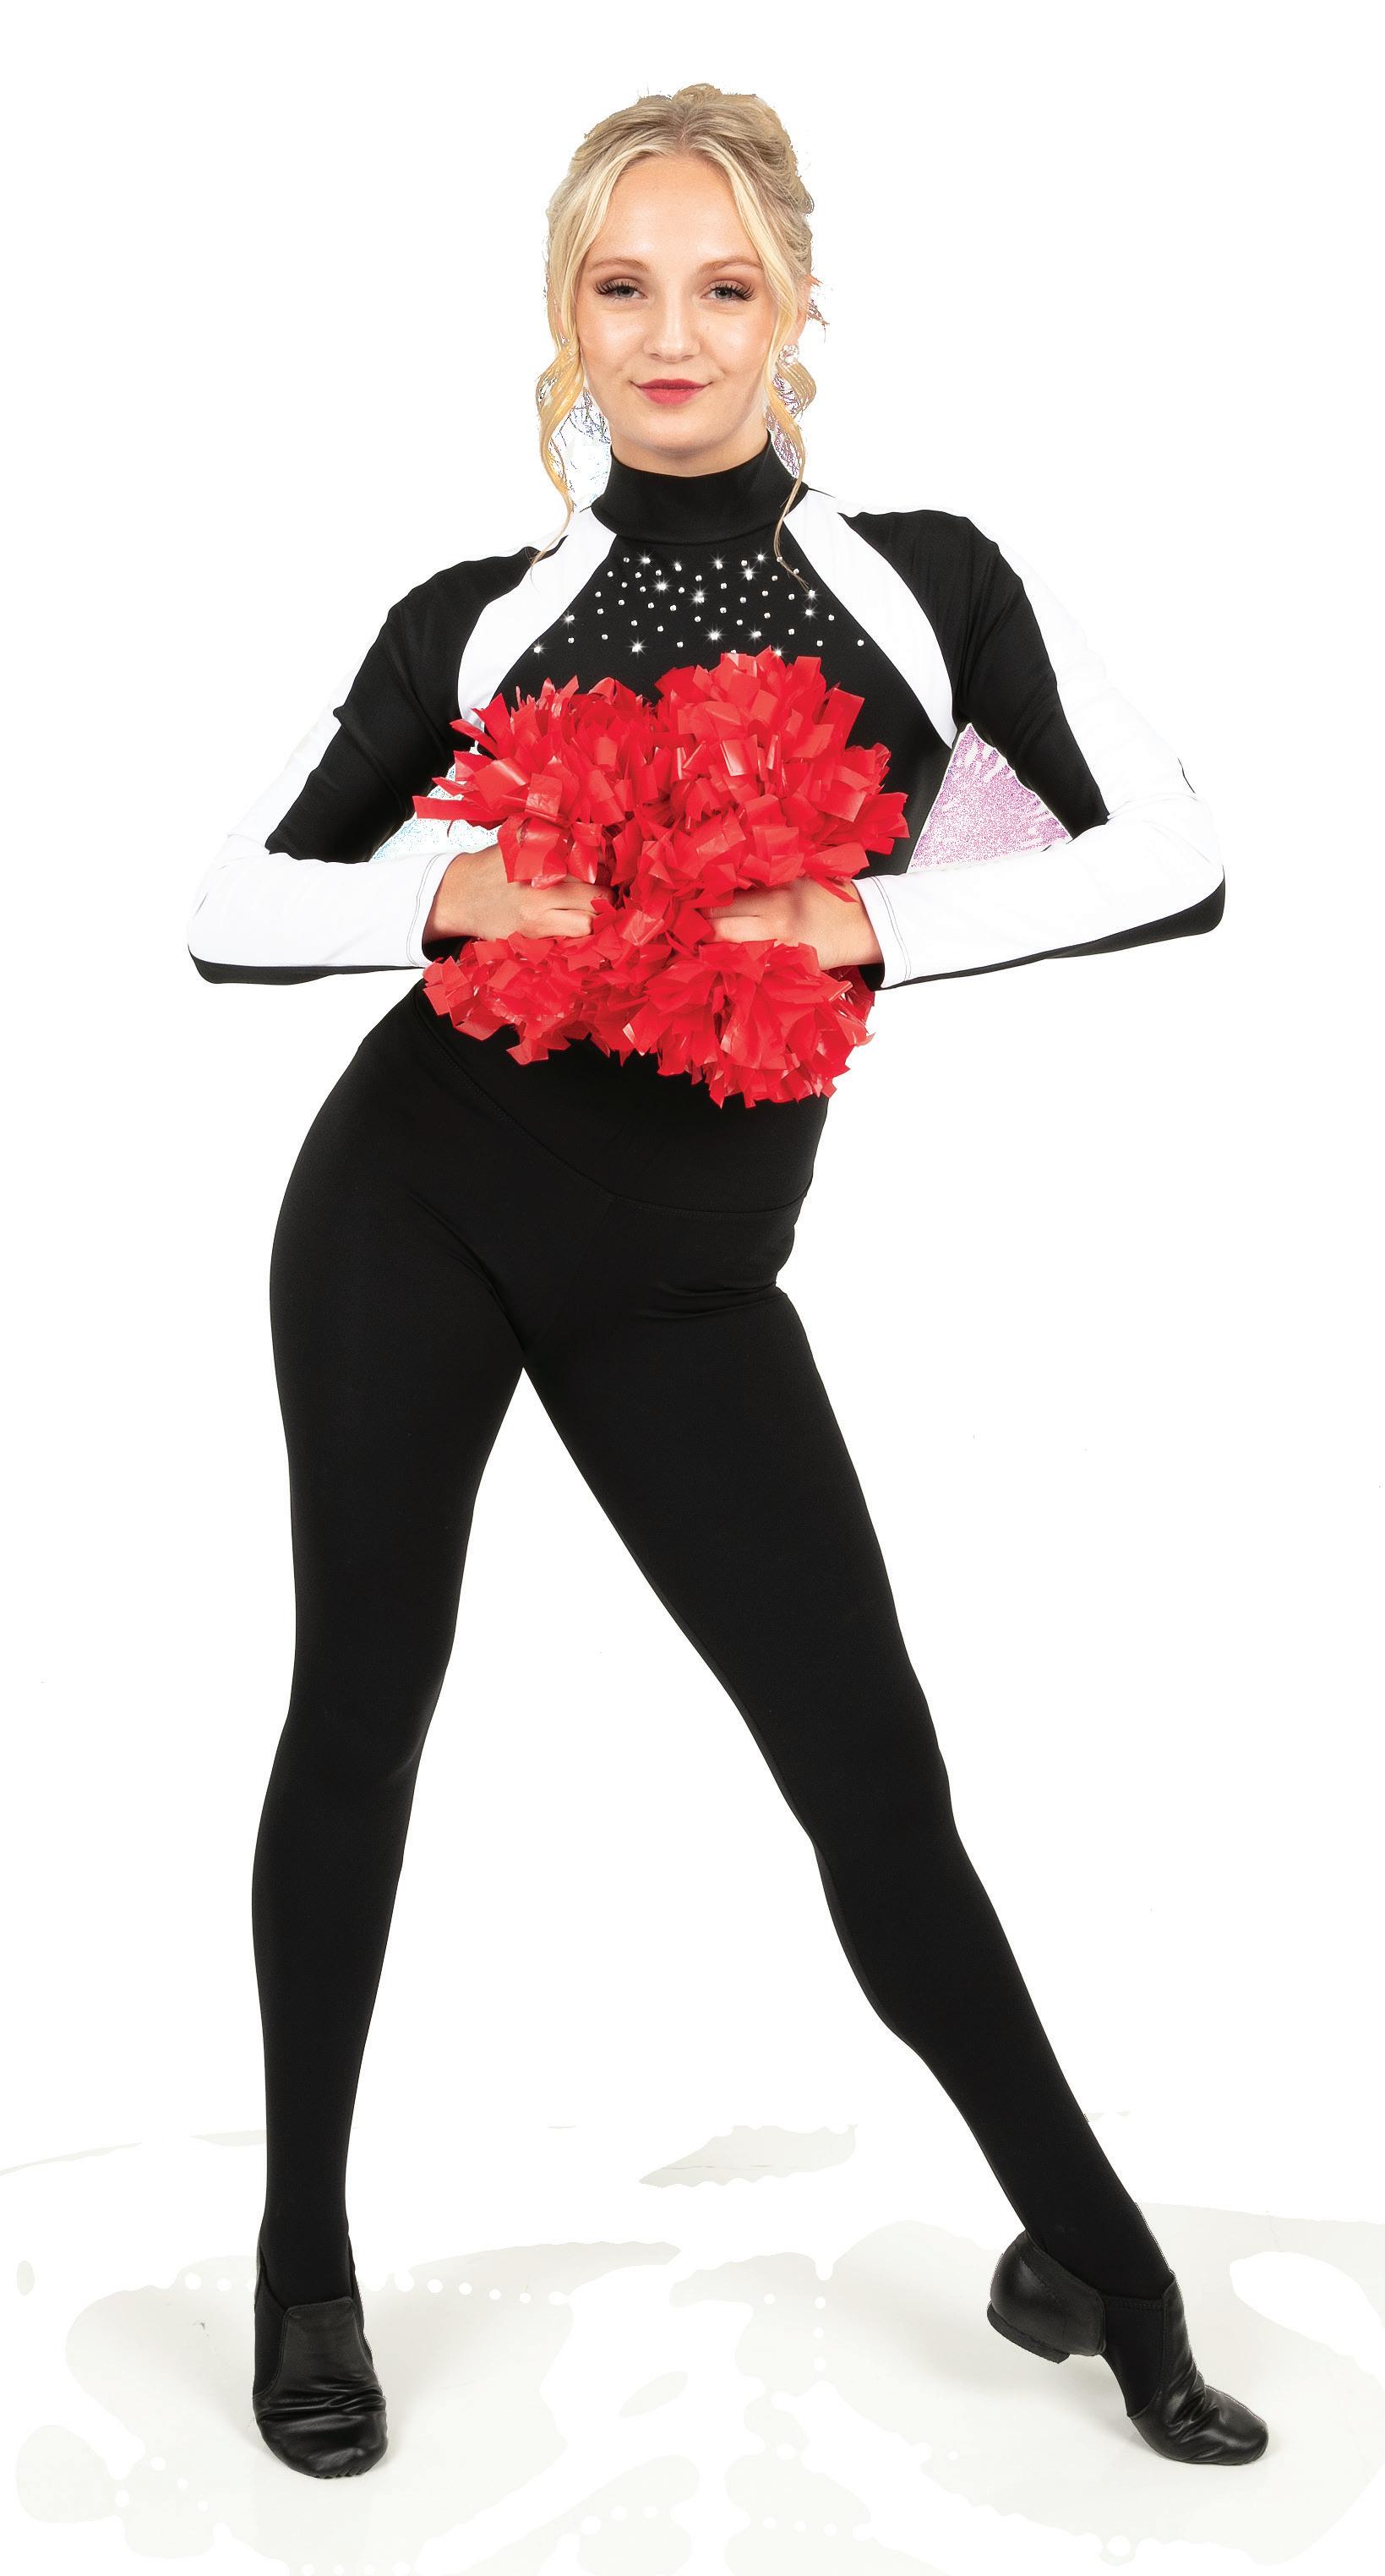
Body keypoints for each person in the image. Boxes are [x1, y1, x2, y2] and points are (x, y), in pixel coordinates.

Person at [187, 84, 1267, 2479]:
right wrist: (443, 894)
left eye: (722, 285)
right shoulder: (478, 618)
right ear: (564, 323)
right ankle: (301, 2266)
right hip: (413, 1206)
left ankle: (1097, 2254)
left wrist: (872, 917)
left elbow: (1174, 857)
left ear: (794, 315)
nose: (671, 335)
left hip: (683, 1286)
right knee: (362, 1708)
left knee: (872, 1773)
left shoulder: (925, 585)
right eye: (621, 287)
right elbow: (229, 902)